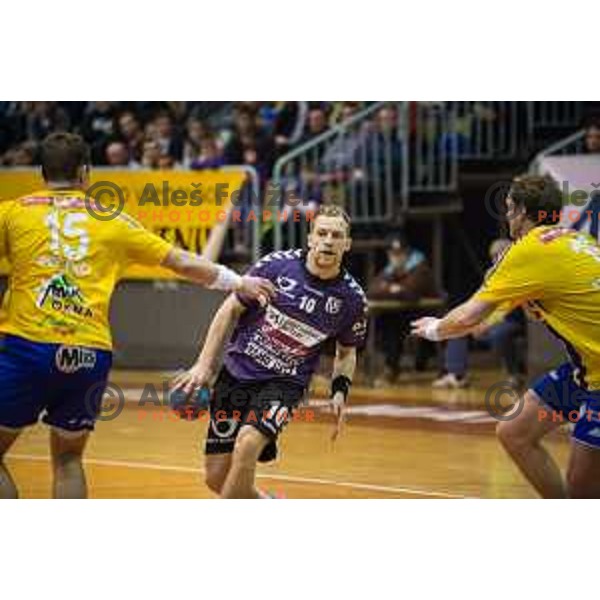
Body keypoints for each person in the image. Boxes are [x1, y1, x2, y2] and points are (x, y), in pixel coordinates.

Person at [0, 132, 275, 499]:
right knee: (68, 459)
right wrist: (239, 281)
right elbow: (182, 261)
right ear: (85, 173)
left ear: (42, 173)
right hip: (89, 353)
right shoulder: (112, 220)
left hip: (25, 346)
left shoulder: (13, 212)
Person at [412, 174, 600, 498]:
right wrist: (463, 322)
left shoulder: (526, 251)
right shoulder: (574, 239)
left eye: (510, 209)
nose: (508, 216)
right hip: (587, 369)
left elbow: (471, 314)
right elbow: (488, 317)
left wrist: (434, 328)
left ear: (523, 212)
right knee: (515, 431)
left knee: (583, 486)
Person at [172, 205, 369, 499]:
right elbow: (230, 310)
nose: (328, 240)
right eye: (322, 233)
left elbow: (346, 352)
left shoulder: (352, 300)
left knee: (248, 444)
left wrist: (340, 390)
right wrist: (204, 365)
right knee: (216, 479)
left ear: (347, 244)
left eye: (336, 235)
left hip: (285, 384)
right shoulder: (276, 267)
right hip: (236, 374)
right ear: (310, 238)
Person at [432, 239, 527, 389]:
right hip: (487, 319)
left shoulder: (521, 274)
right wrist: (474, 321)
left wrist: (487, 324)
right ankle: (457, 375)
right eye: (493, 256)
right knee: (459, 327)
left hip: (512, 320)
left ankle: (514, 375)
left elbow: (511, 308)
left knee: (499, 333)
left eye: (499, 254)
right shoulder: (490, 274)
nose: (496, 259)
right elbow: (480, 301)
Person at [369, 232, 439, 384]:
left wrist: (390, 288)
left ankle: (438, 367)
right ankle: (390, 368)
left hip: (428, 316)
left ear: (407, 253)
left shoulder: (420, 267)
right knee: (387, 321)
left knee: (394, 321)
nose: (396, 257)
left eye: (400, 254)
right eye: (393, 254)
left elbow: (410, 293)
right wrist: (393, 289)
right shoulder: (390, 270)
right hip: (404, 316)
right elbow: (372, 290)